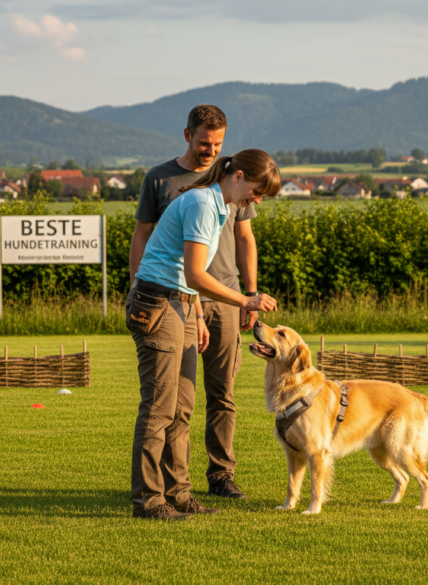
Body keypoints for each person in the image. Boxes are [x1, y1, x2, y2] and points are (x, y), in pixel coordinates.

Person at [127, 149, 280, 520]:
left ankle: (179, 495)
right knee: (159, 408)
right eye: (257, 192)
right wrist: (246, 299)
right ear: (239, 176)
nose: (255, 201)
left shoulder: (219, 205)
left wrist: (194, 311)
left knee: (182, 408)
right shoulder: (202, 204)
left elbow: (186, 272)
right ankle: (149, 502)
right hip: (157, 303)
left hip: (178, 303)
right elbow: (196, 273)